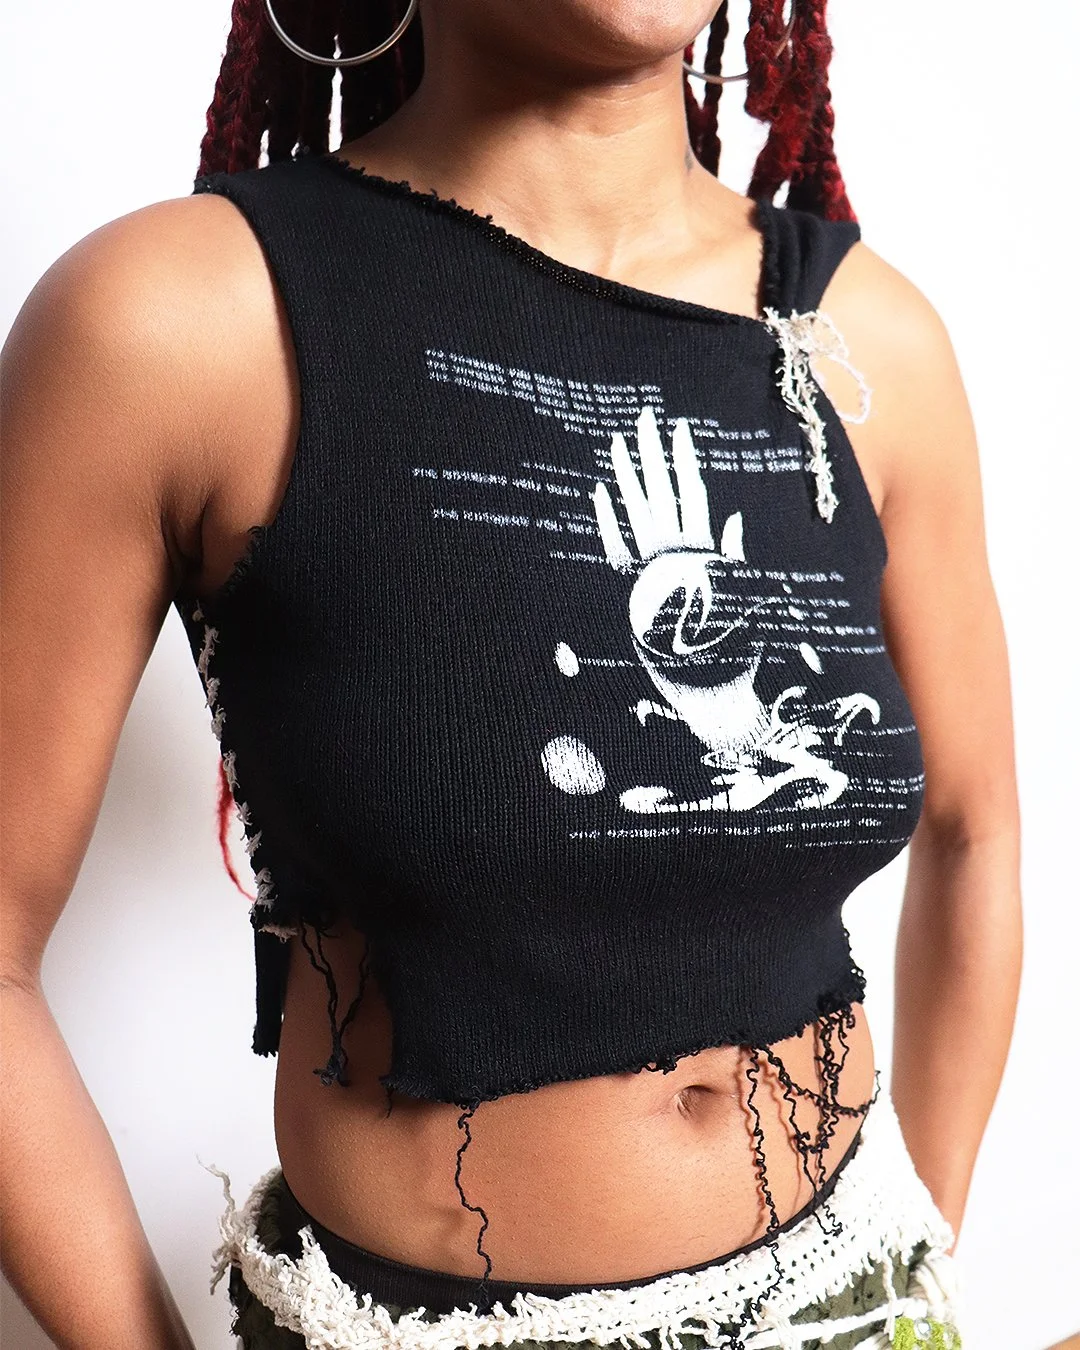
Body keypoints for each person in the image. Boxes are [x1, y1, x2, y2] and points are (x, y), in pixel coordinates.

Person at [0, 1, 1022, 1348]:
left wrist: (922, 1260)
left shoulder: (866, 340)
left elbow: (976, 828)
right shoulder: (177, 320)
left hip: (857, 1291)